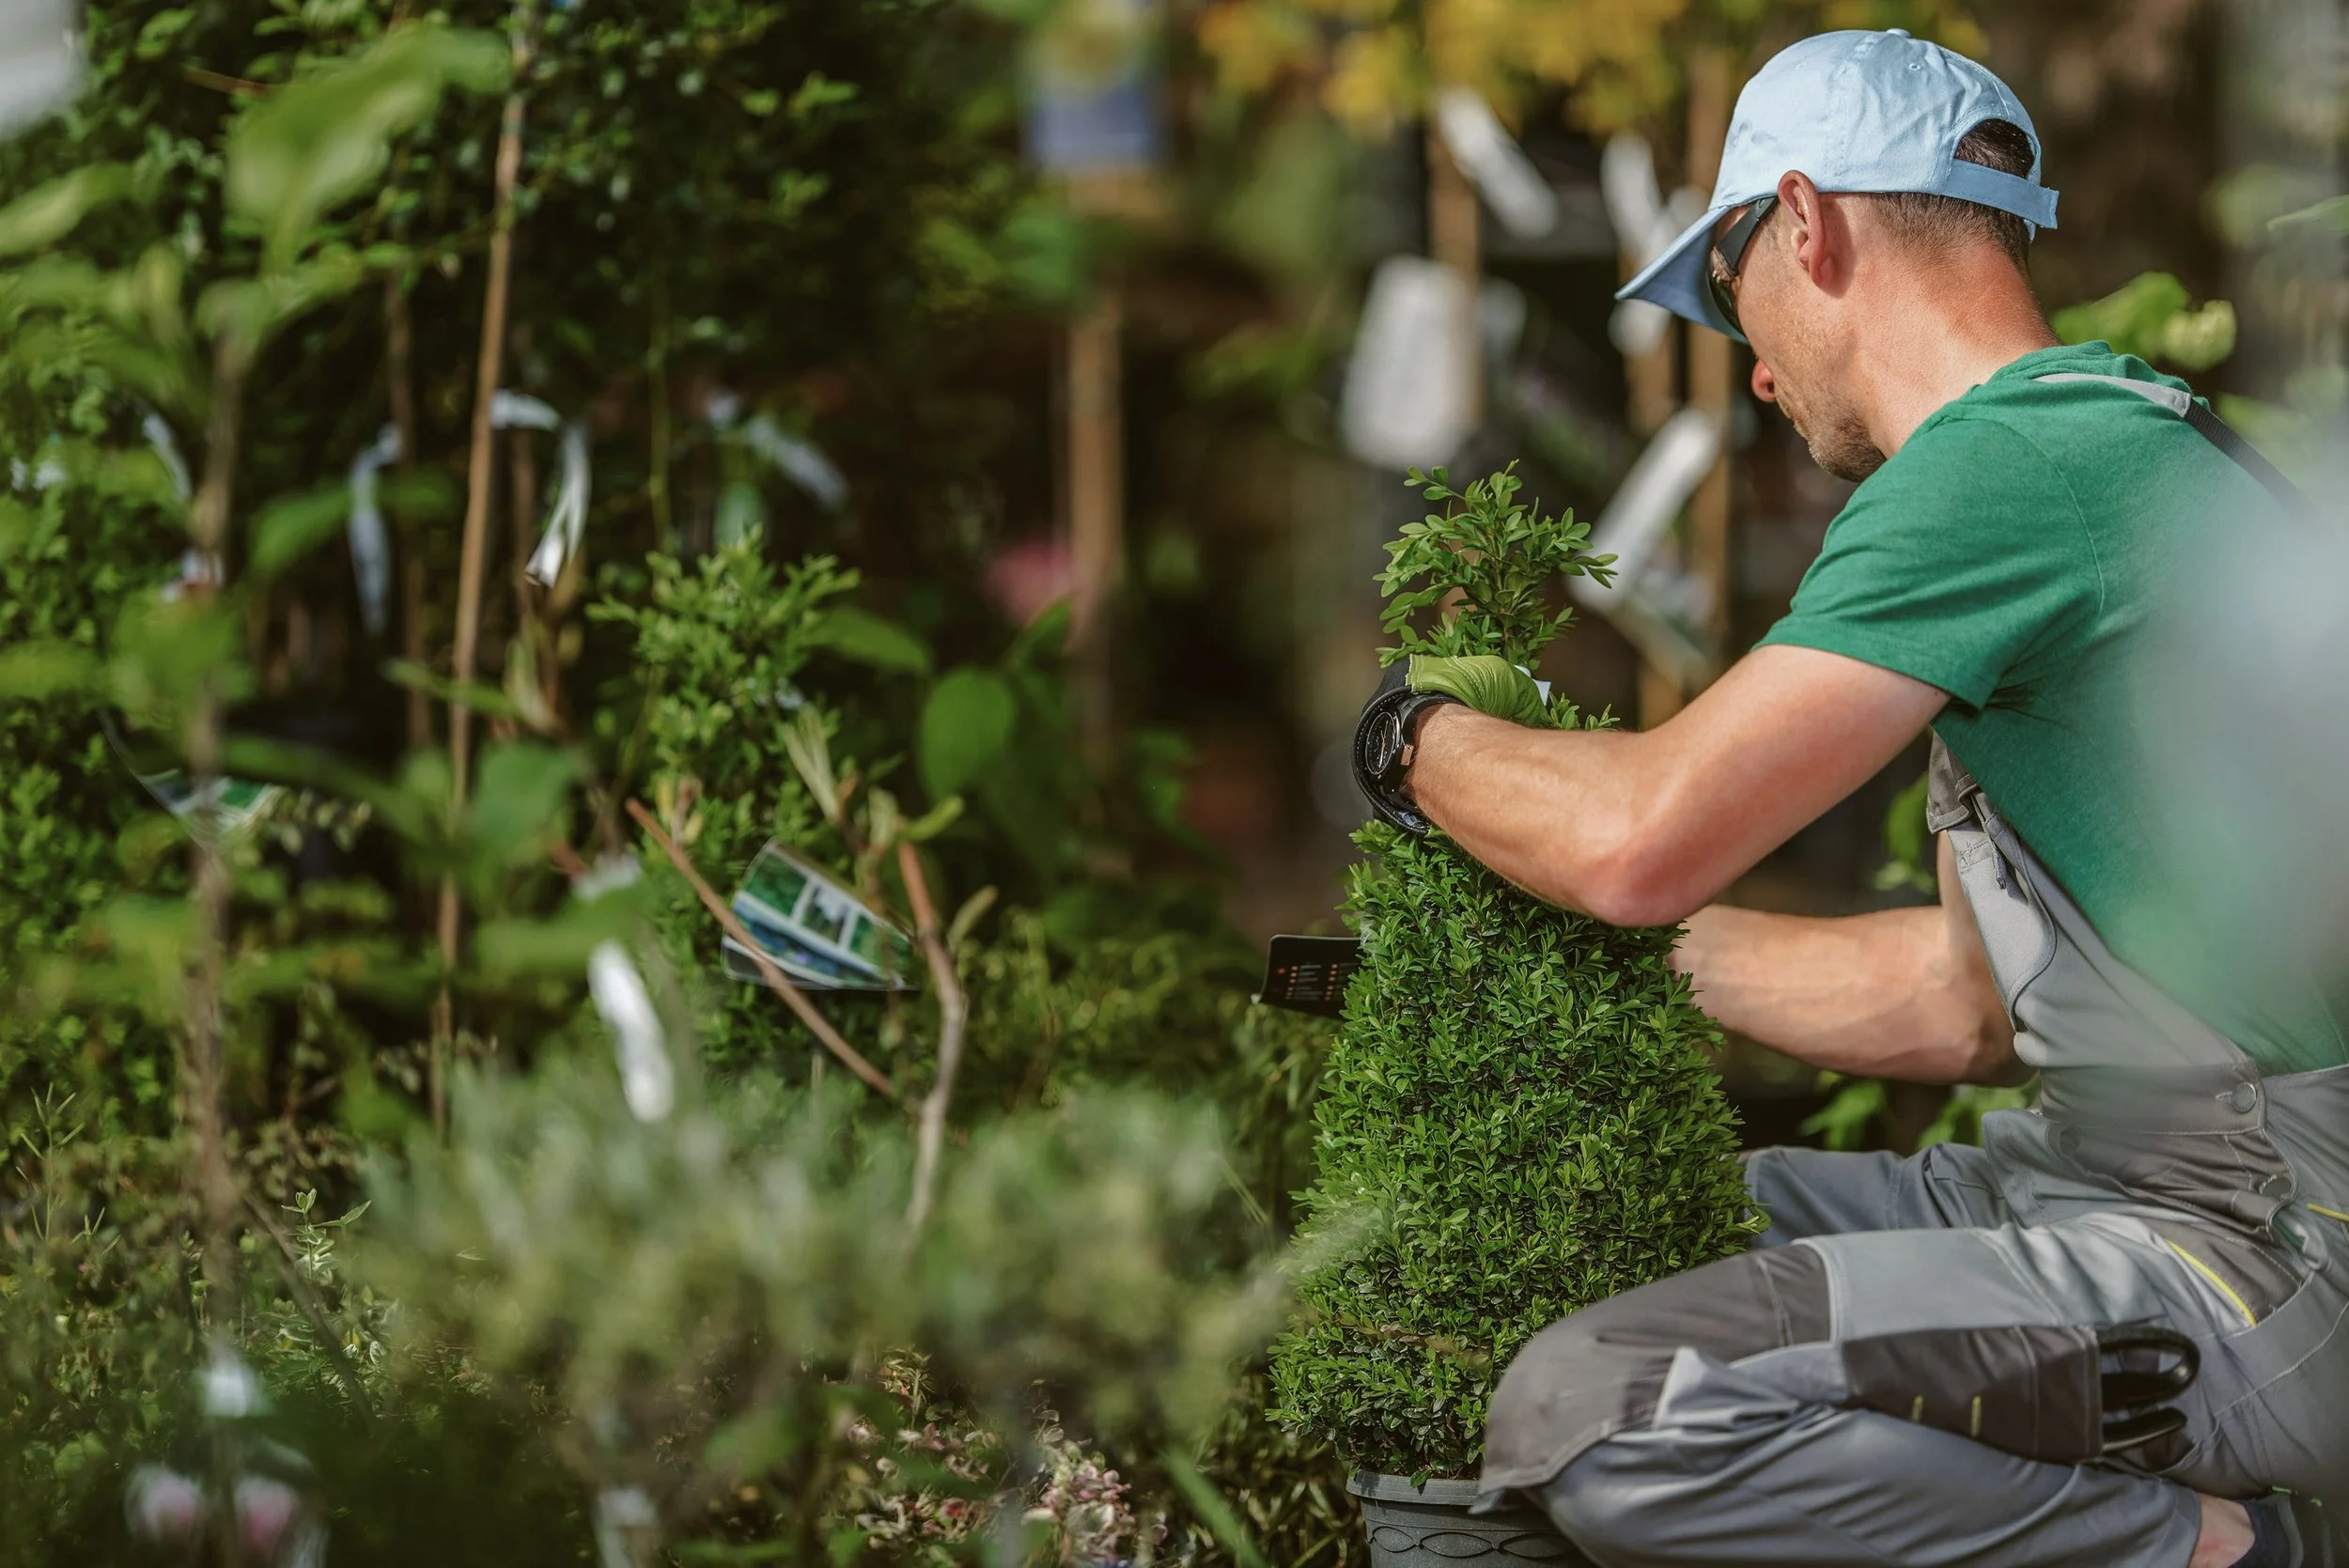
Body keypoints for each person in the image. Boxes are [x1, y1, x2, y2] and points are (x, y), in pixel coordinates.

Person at [1351, 27, 2348, 1568]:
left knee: (1617, 1405)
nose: (1747, 364)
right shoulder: (2090, 458)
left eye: (1729, 288)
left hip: (2255, 1255)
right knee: (1607, 1226)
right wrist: (1575, 970)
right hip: (2113, 1181)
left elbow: (1635, 840)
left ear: (1805, 223)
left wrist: (1412, 740)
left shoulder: (2009, 470)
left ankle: (2224, 1555)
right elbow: (1953, 1003)